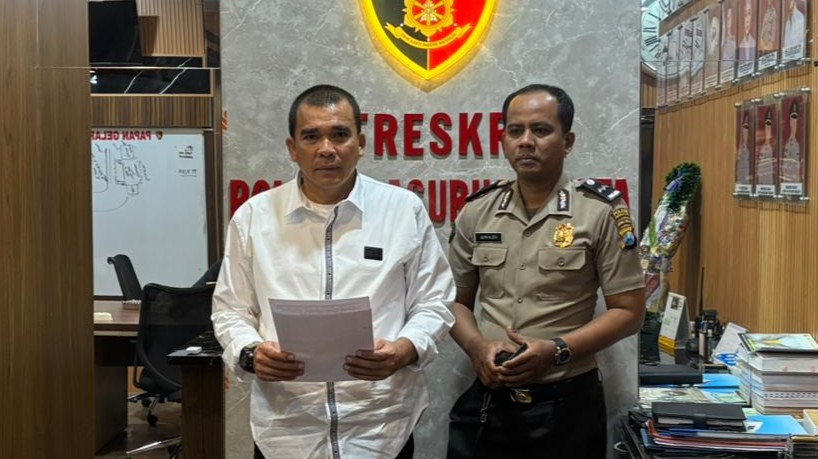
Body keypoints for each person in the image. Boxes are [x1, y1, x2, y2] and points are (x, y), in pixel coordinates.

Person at [211, 84, 456, 459]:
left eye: (340, 134)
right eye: (311, 136)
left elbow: (434, 301)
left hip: (381, 425)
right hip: (287, 428)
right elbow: (230, 308)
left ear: (361, 143)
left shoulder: (402, 210)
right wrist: (249, 352)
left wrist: (405, 349)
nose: (327, 148)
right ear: (292, 148)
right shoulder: (254, 217)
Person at [446, 84, 646, 459]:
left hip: (568, 406)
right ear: (503, 140)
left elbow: (629, 312)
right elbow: (453, 302)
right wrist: (477, 348)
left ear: (567, 142)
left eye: (540, 130)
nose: (526, 141)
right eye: (515, 131)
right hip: (491, 400)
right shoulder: (477, 211)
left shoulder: (600, 211)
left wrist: (556, 351)